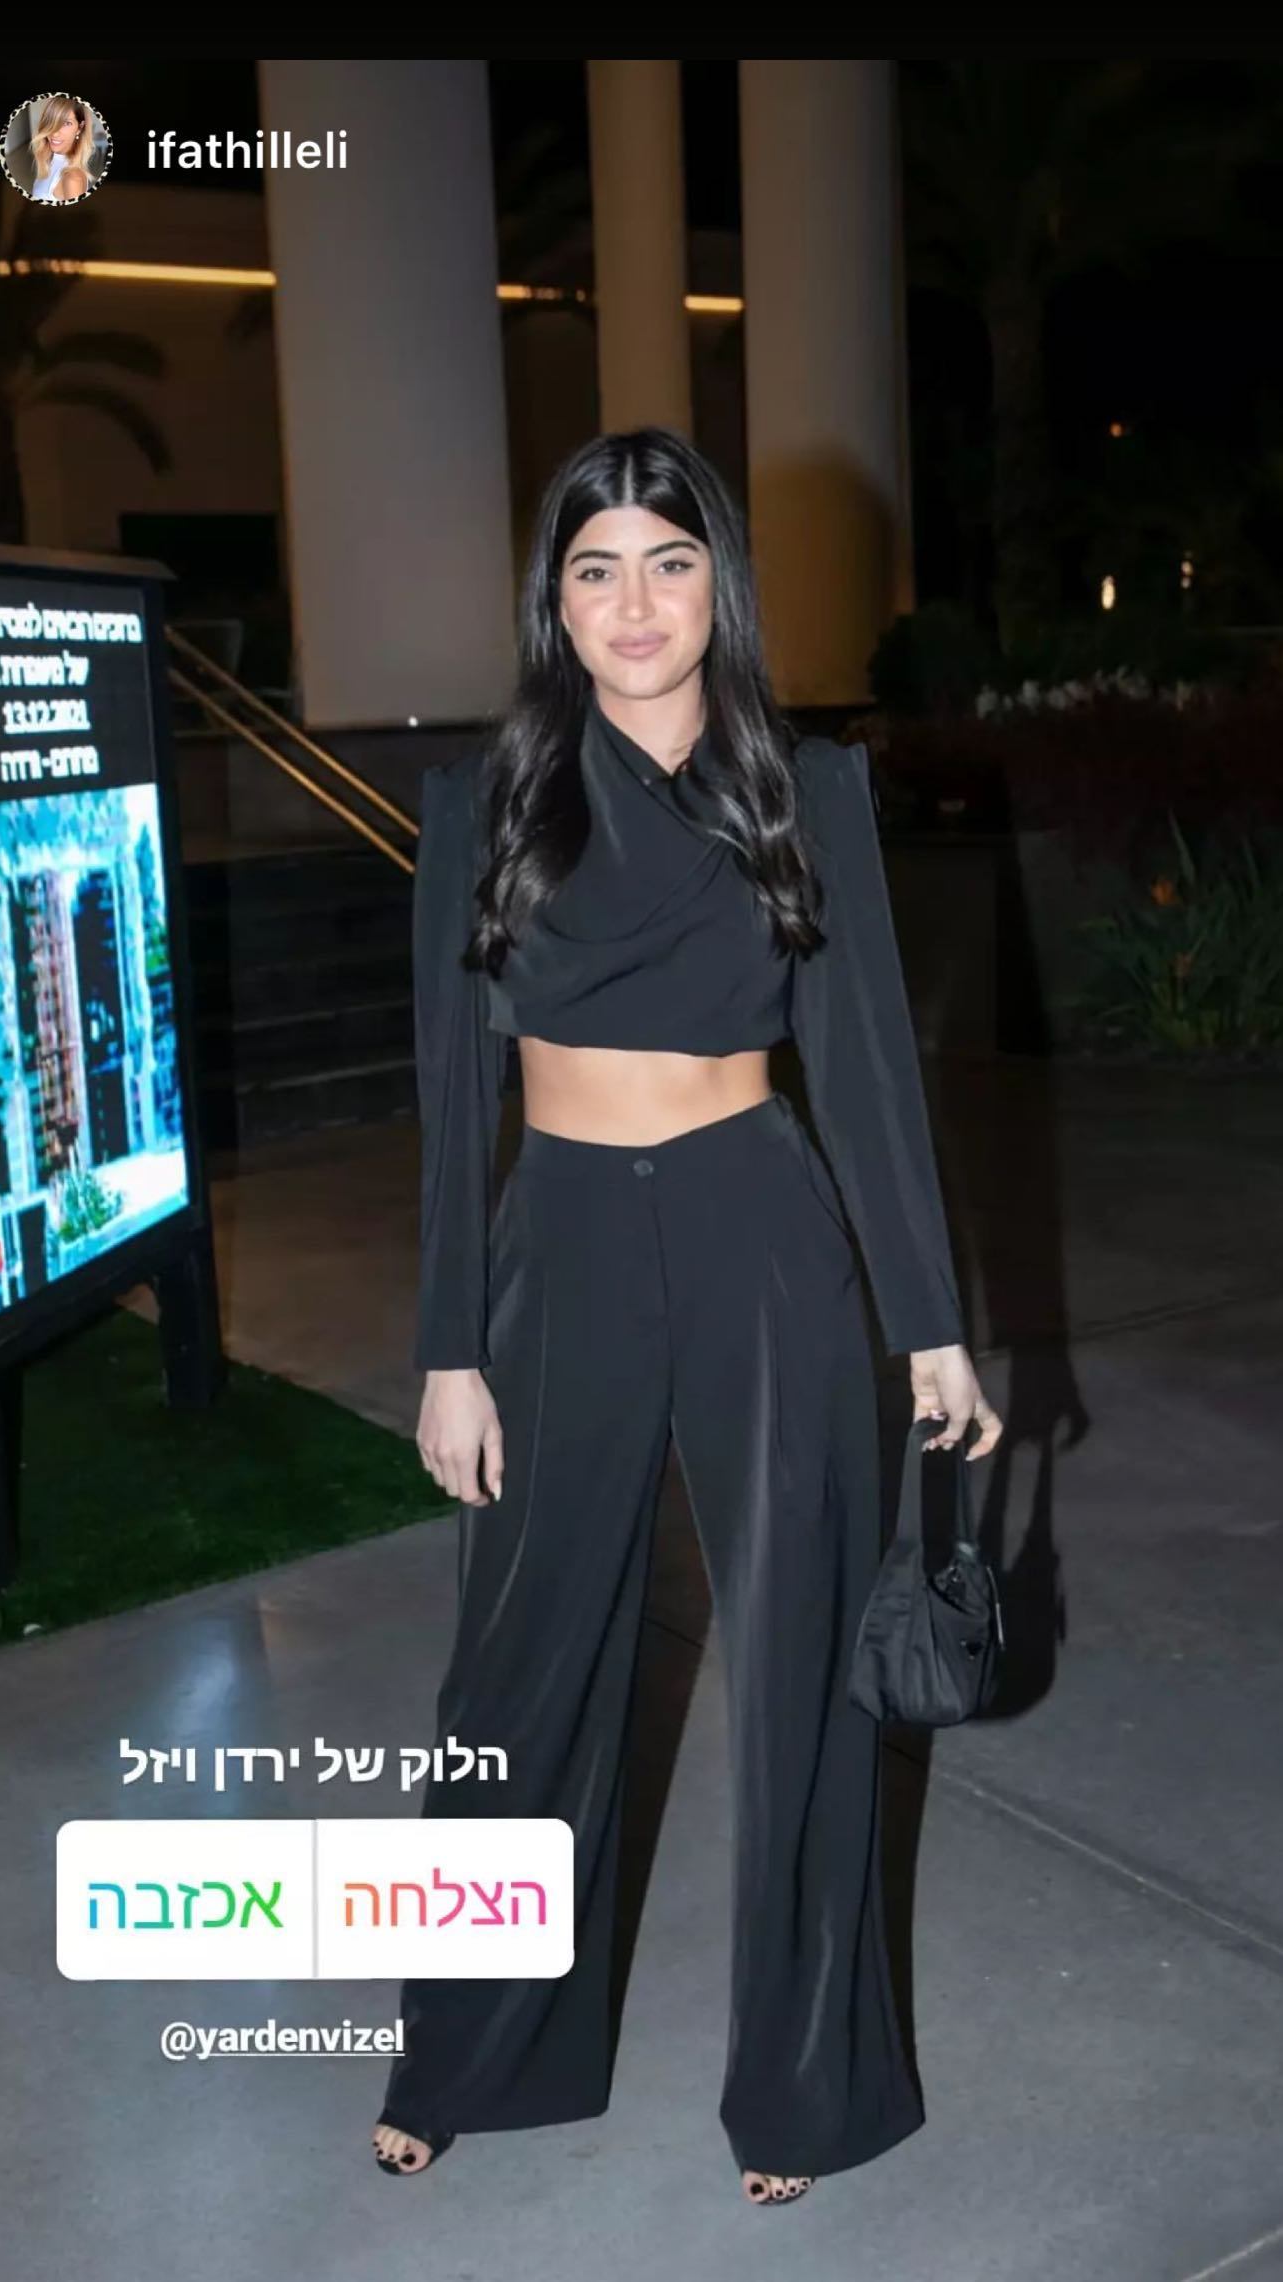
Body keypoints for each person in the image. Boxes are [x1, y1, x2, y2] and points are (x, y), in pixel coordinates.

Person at [370, 426, 1004, 2207]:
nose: (634, 603)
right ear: (554, 602)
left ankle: (806, 2087)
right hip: (559, 1241)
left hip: (760, 1228)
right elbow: (449, 1097)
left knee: (802, 1664)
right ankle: (467, 2049)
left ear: (717, 583)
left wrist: (929, 1320)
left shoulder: (806, 787)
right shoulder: (483, 797)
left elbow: (864, 1068)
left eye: (668, 561)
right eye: (596, 569)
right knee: (513, 1664)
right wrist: (447, 1345)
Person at [29, 96, 93, 203]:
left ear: (80, 127)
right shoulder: (49, 161)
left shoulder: (72, 178)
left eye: (67, 123)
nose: (54, 133)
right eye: (51, 121)